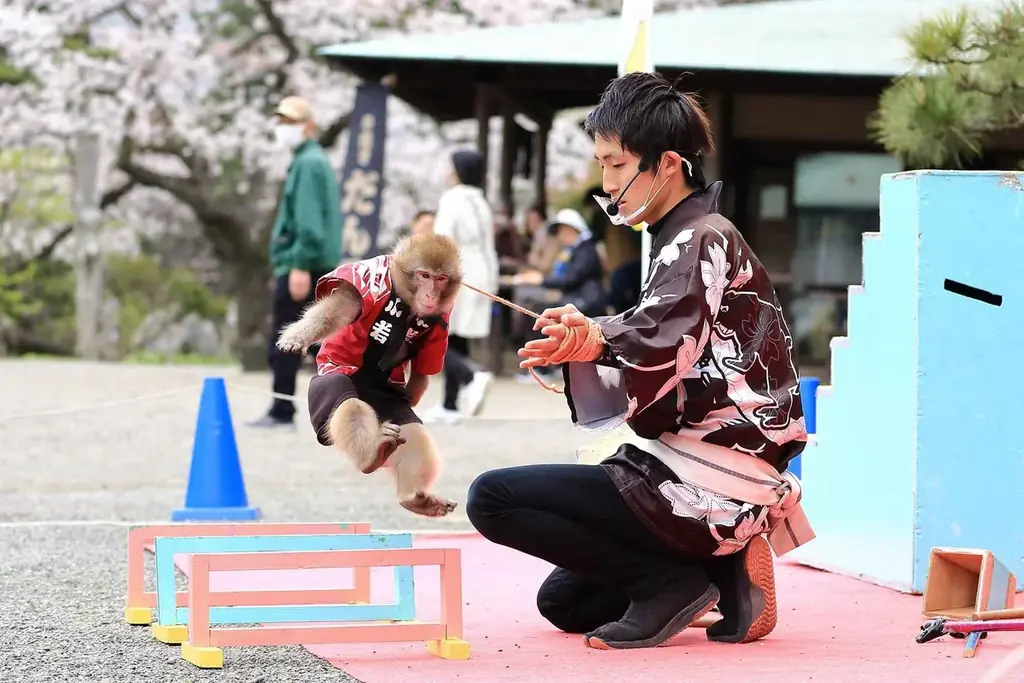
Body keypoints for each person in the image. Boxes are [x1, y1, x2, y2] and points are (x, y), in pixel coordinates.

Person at [465, 72, 813, 651]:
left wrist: (594, 339)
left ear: (668, 164)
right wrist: (591, 337)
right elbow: (659, 341)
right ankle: (714, 574)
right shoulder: (691, 238)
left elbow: (659, 342)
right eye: (601, 165)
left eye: (617, 165)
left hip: (708, 477)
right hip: (697, 471)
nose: (606, 183)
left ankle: (672, 584)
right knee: (564, 604)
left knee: (491, 497)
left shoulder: (701, 237)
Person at [249, 96, 342, 429]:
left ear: (308, 126)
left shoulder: (307, 163)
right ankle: (325, 412)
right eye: (282, 122)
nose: (283, 129)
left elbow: (307, 221)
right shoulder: (313, 160)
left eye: (291, 122)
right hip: (315, 261)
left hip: (304, 262)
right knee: (318, 338)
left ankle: (282, 409)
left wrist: (300, 263)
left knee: (288, 336)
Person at [421, 149, 498, 425]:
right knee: (457, 337)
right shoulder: (481, 201)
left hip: (457, 271)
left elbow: (442, 243)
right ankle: (450, 405)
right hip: (482, 272)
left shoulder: (453, 199)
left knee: (431, 334)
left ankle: (470, 376)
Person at [512, 208, 608, 384]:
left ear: (575, 230)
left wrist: (541, 280)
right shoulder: (573, 250)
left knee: (541, 312)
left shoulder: (586, 250)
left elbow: (570, 278)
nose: (562, 236)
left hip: (586, 300)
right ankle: (552, 364)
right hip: (575, 297)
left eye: (565, 231)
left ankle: (543, 367)